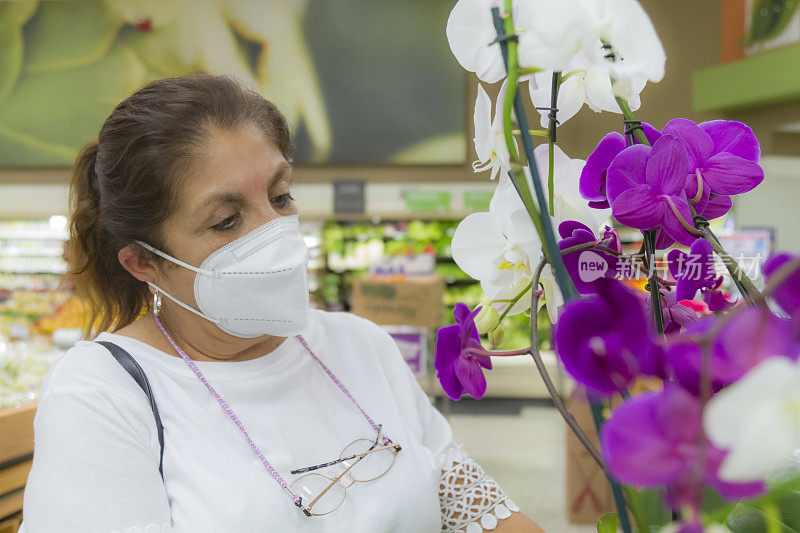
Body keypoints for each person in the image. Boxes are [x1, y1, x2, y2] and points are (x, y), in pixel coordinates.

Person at [20, 73, 544, 533]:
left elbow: (476, 511)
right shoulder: (102, 392)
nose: (275, 233)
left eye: (280, 196)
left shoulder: (361, 346)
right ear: (144, 263)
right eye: (226, 221)